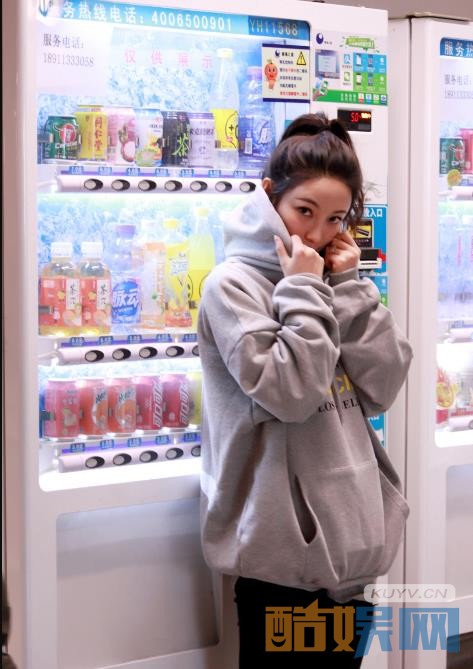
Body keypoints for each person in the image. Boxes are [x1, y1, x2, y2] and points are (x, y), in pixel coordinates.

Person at [197, 112, 412, 667]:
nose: (316, 234)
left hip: (351, 544)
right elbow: (292, 394)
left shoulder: (333, 281)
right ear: (271, 195)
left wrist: (349, 288)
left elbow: (384, 385)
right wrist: (303, 287)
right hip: (281, 556)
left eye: (335, 218)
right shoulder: (232, 286)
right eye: (304, 211)